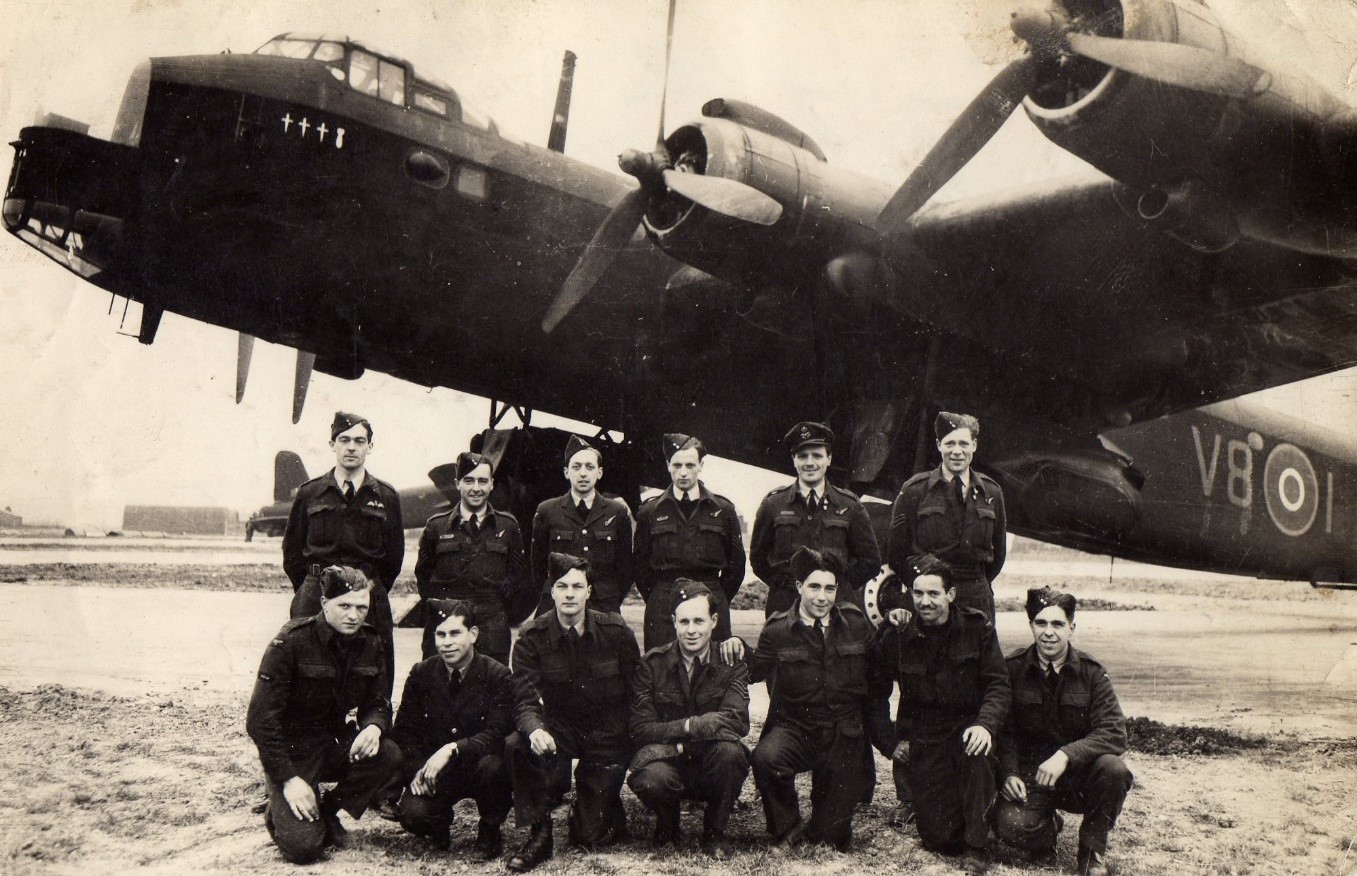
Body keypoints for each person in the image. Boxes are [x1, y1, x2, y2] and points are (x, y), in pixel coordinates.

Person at [732, 547, 891, 852]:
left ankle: (823, 824)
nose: (822, 597)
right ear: (799, 587)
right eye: (814, 587)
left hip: (843, 734)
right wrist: (737, 645)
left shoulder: (856, 624)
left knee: (830, 839)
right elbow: (756, 670)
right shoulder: (778, 629)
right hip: (796, 728)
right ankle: (787, 826)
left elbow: (878, 678)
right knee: (767, 758)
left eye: (830, 588)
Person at [245, 566, 402, 864]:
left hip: (334, 741)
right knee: (304, 848)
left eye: (361, 608)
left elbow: (378, 702)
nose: (354, 615)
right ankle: (277, 807)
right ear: (324, 603)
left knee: (389, 753)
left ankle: (328, 811)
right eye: (344, 605)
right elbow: (260, 721)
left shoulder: (370, 642)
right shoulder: (290, 642)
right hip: (293, 751)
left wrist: (374, 727)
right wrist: (288, 779)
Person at [874, 554, 1011, 875]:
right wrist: (890, 742)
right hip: (928, 738)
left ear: (950, 594)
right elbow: (872, 692)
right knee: (939, 838)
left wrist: (986, 726)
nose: (925, 601)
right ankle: (976, 812)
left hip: (969, 730)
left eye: (934, 593)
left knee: (976, 758)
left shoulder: (976, 628)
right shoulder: (898, 635)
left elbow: (998, 685)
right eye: (918, 593)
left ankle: (978, 847)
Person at [505, 553, 641, 872]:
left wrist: (629, 739)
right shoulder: (531, 638)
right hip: (559, 729)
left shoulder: (616, 632)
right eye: (562, 586)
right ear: (551, 590)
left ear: (589, 592)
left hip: (605, 733)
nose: (569, 594)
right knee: (517, 743)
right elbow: (524, 698)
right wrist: (535, 729)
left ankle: (598, 801)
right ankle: (539, 833)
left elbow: (637, 691)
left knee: (590, 836)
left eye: (577, 586)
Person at [992, 587, 1134, 876]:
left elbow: (1114, 732)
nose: (1048, 633)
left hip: (1076, 774)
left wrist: (1066, 755)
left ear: (1072, 628)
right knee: (1009, 826)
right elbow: (1003, 730)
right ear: (1031, 625)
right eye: (1040, 623)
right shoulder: (1013, 669)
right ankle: (1045, 833)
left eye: (1057, 624)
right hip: (1030, 774)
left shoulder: (1091, 672)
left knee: (1113, 769)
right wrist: (1008, 772)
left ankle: (1091, 852)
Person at [627, 580, 750, 858]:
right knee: (650, 776)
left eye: (699, 620)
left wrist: (679, 740)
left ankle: (715, 832)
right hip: (669, 762)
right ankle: (668, 826)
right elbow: (640, 728)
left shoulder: (730, 662)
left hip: (709, 761)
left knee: (731, 754)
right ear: (673, 622)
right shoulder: (652, 665)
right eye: (684, 621)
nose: (691, 630)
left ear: (714, 621)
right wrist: (690, 727)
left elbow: (736, 721)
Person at [283, 411, 403, 689]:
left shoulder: (386, 496)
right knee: (307, 670)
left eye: (360, 441)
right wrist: (312, 587)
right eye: (344, 439)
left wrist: (370, 587)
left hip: (368, 594)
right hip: (317, 593)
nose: (351, 447)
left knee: (374, 671)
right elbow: (292, 552)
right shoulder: (310, 493)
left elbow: (394, 557)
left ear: (370, 447)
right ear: (332, 444)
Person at [390, 599, 515, 859]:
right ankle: (438, 825)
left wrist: (454, 748)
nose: (447, 643)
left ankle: (489, 831)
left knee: (495, 768)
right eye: (440, 634)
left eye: (455, 633)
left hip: (479, 765)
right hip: (437, 772)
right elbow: (404, 732)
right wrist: (417, 772)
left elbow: (498, 732)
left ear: (473, 634)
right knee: (413, 814)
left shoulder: (498, 675)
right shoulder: (421, 674)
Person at [750, 421, 880, 618]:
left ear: (829, 459)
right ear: (794, 460)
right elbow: (758, 559)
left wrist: (839, 586)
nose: (809, 463)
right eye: (802, 456)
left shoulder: (850, 505)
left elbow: (870, 561)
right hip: (786, 610)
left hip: (836, 612)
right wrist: (786, 586)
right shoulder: (773, 504)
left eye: (817, 456)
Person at [888, 411, 1007, 621]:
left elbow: (998, 556)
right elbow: (897, 554)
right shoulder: (915, 490)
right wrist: (924, 586)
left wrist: (976, 585)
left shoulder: (992, 492)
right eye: (950, 443)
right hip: (928, 598)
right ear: (938, 445)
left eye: (963, 443)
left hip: (975, 600)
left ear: (974, 445)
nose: (957, 451)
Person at [413, 451, 527, 666]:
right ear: (457, 484)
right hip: (446, 623)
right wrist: (444, 610)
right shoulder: (436, 526)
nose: (476, 488)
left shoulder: (508, 526)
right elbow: (423, 577)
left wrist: (495, 609)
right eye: (469, 480)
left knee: (493, 689)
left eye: (483, 481)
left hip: (492, 627)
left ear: (492, 484)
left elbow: (517, 577)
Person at [633, 433, 746, 649]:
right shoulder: (650, 511)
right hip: (663, 607)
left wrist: (715, 597)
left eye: (690, 465)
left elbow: (736, 567)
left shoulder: (723, 510)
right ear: (667, 465)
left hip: (710, 600)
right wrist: (659, 597)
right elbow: (640, 567)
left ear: (701, 465)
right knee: (661, 672)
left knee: (714, 673)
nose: (683, 472)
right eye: (676, 465)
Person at [530, 435, 634, 614]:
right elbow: (537, 566)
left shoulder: (617, 512)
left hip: (603, 606)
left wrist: (609, 596)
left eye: (590, 467)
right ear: (566, 472)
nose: (583, 473)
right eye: (576, 467)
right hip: (558, 606)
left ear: (599, 473)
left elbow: (625, 568)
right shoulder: (547, 510)